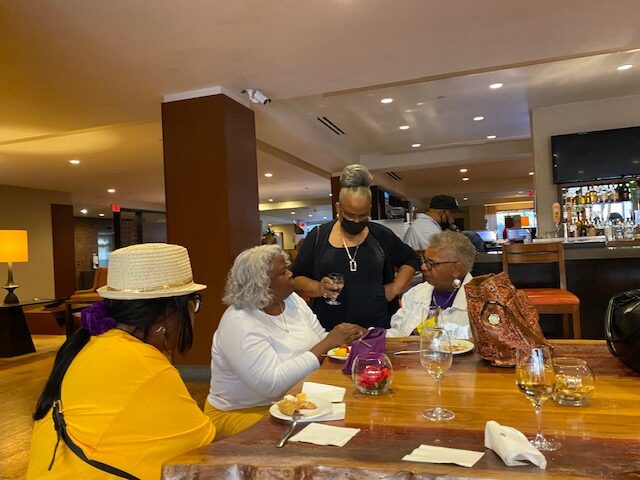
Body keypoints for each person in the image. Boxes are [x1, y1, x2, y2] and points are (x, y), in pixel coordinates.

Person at [27, 243, 215, 479]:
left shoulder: (92, 343)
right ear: (167, 315)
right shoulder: (143, 364)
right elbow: (202, 445)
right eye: (194, 304)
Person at [206, 245, 364, 439]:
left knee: (353, 416)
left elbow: (319, 337)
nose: (291, 274)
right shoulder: (239, 322)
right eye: (283, 272)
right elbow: (272, 386)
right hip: (242, 411)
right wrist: (329, 342)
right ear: (262, 283)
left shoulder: (291, 301)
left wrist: (343, 339)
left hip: (292, 402)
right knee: (312, 438)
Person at [291, 164, 421, 330]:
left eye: (363, 216)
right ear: (339, 208)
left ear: (370, 209)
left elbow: (411, 259)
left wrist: (396, 287)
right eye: (350, 215)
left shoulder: (380, 235)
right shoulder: (318, 236)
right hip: (329, 330)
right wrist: (318, 288)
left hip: (377, 328)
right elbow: (296, 278)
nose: (357, 221)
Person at [387, 231, 476, 339]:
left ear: (456, 269)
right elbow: (396, 335)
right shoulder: (415, 294)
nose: (424, 267)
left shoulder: (478, 303)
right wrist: (369, 336)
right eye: (424, 261)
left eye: (431, 264)